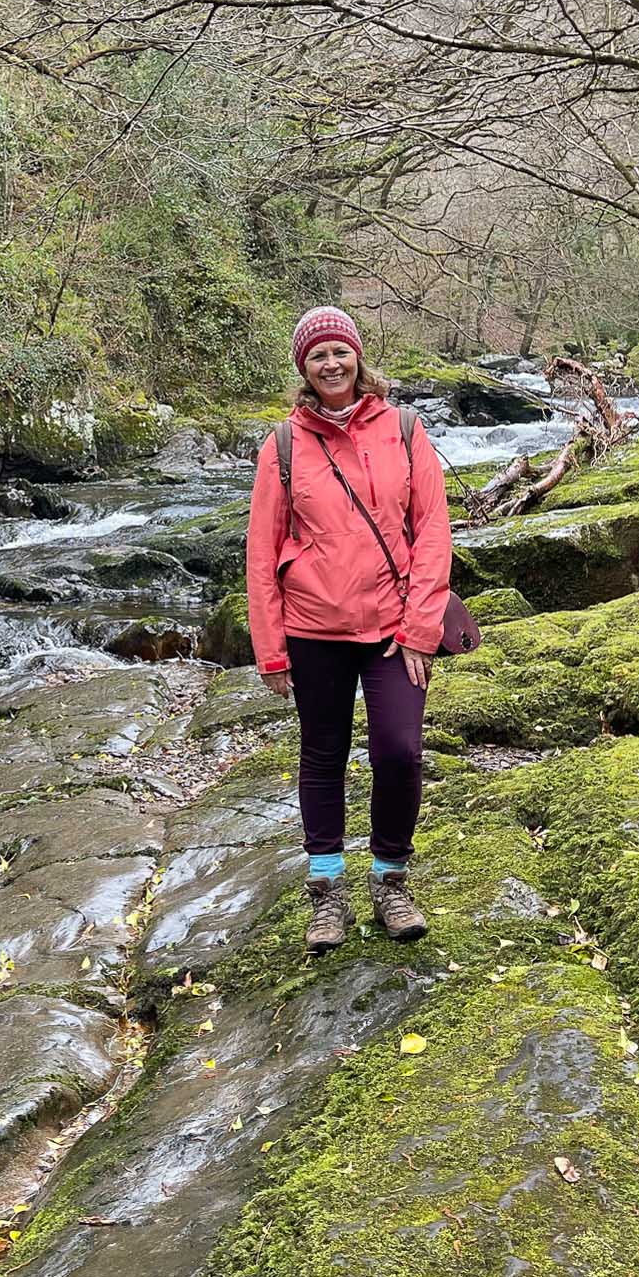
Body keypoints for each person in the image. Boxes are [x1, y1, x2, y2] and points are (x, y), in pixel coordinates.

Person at [245, 305, 452, 953]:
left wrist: (423, 627)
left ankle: (390, 877)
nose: (331, 364)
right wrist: (270, 652)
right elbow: (260, 553)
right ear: (303, 370)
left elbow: (432, 533)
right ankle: (326, 890)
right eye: (317, 357)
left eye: (340, 353)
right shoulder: (281, 445)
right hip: (312, 628)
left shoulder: (406, 429)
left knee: (398, 751)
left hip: (395, 628)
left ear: (357, 358)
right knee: (322, 755)